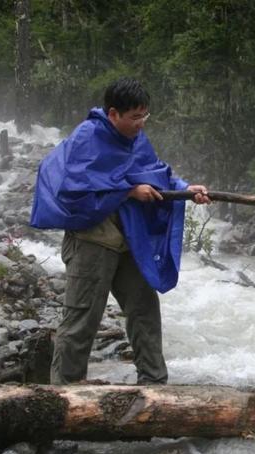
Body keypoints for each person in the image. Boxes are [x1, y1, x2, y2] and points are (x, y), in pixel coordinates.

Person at [30, 77, 210, 385]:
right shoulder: (88, 137)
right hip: (92, 240)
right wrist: (128, 192)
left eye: (145, 115)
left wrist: (184, 189)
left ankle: (154, 384)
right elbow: (74, 188)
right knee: (81, 319)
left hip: (129, 239)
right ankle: (64, 397)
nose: (141, 123)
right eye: (135, 117)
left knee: (144, 310)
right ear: (114, 114)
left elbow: (155, 173)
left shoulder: (136, 138)